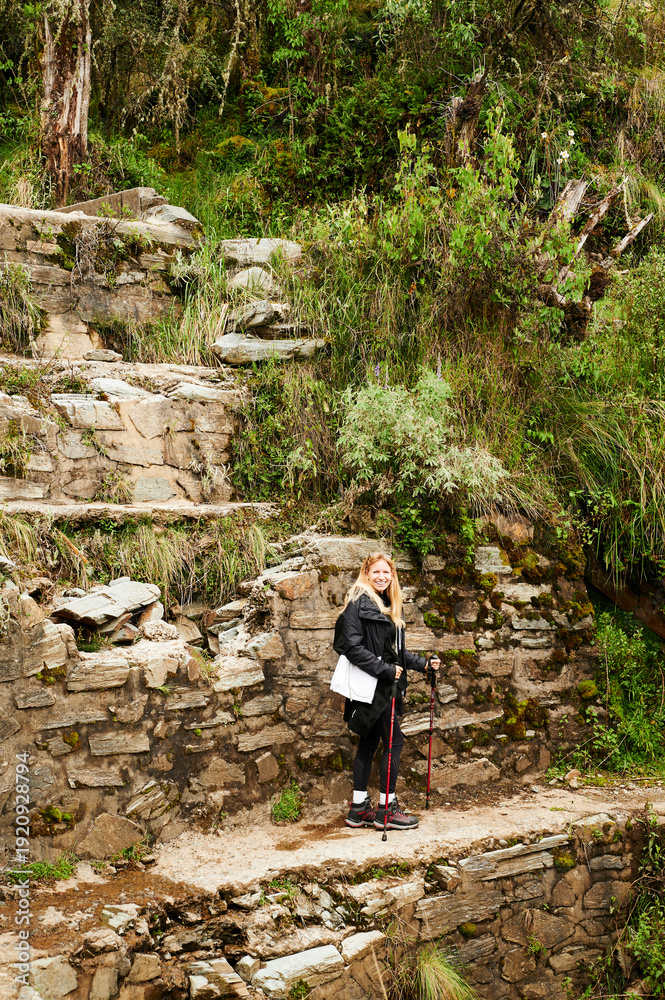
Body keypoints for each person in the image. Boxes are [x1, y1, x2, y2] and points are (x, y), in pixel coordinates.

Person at [333, 552, 440, 831]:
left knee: (368, 743)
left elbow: (396, 653)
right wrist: (385, 670)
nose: (381, 577)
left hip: (381, 683)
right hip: (376, 686)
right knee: (394, 743)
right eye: (376, 572)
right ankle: (387, 811)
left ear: (392, 576)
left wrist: (423, 664)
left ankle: (358, 809)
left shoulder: (389, 604)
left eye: (386, 572)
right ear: (366, 573)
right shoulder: (358, 603)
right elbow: (351, 648)